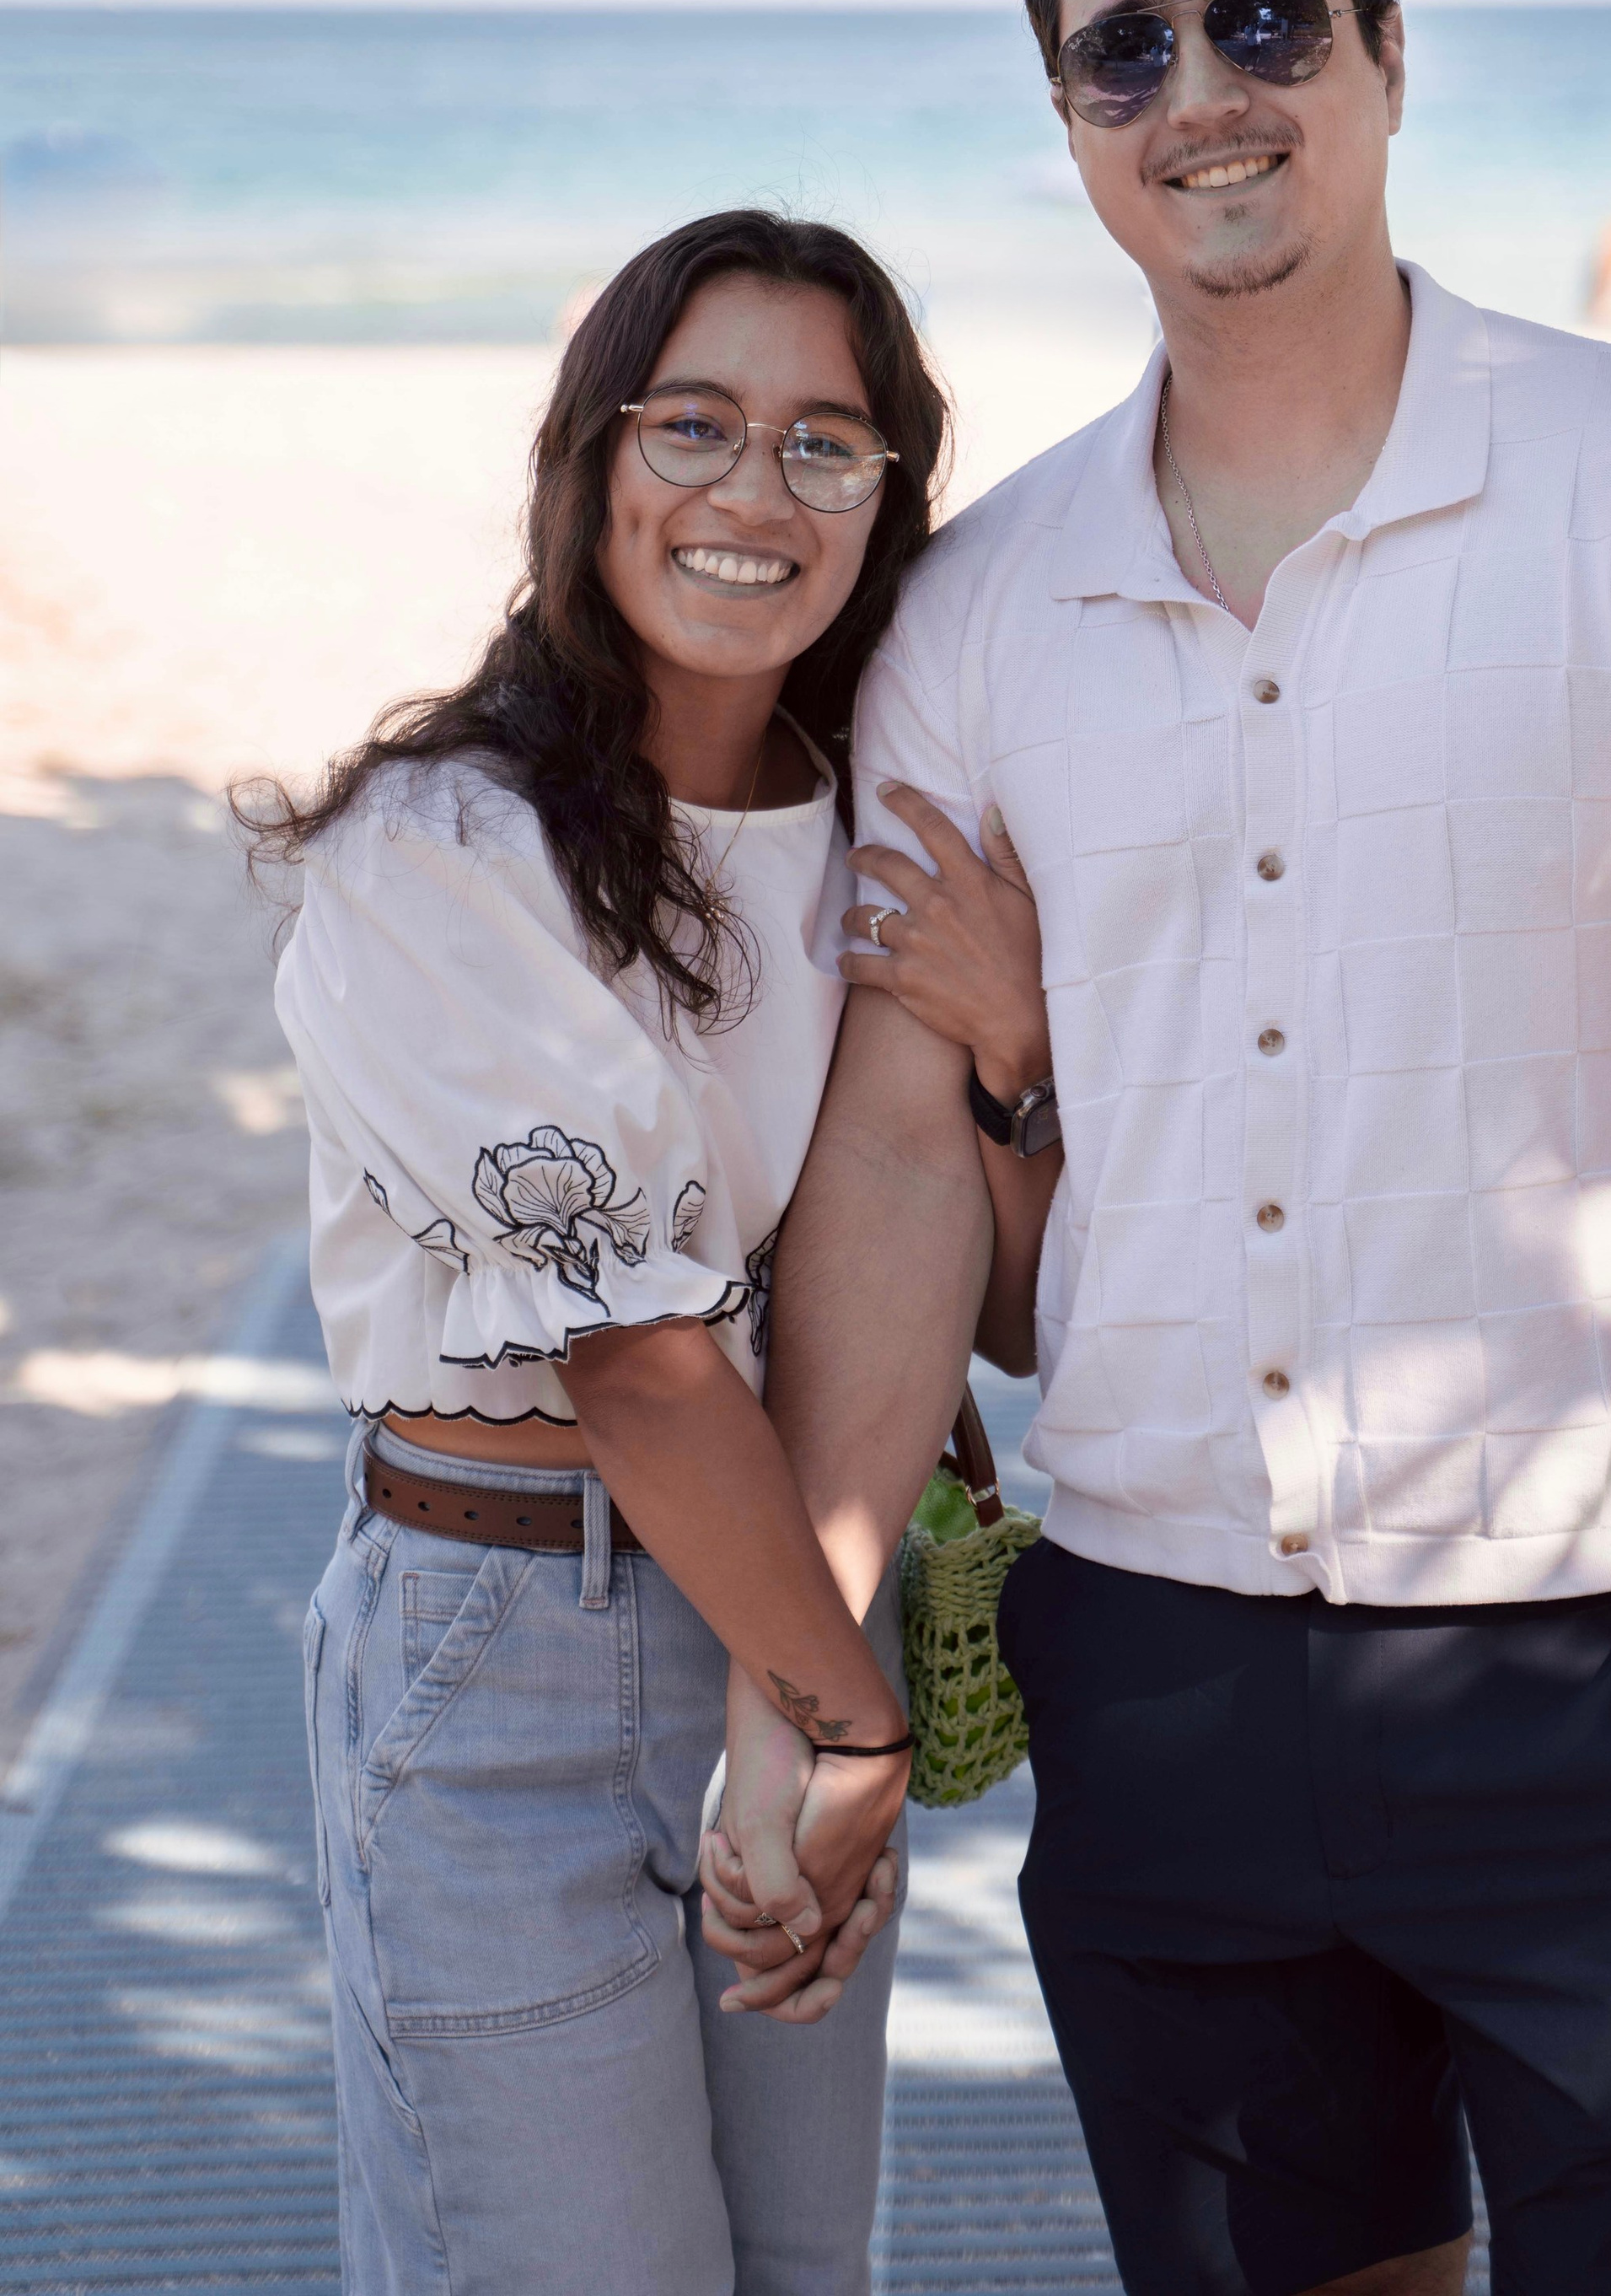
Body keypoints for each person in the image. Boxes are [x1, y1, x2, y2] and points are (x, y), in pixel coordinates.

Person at [738, 0, 1611, 2296]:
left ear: (1389, 57)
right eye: (1125, 47)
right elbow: (886, 1160)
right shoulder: (978, 613)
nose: (1203, 84)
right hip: (1156, 1651)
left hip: (1610, 1650)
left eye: (1265, 15)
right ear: (1073, 125)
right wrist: (813, 1652)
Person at [257, 211, 1021, 2296]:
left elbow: (1008, 1285)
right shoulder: (429, 854)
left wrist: (1013, 1038)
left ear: (887, 497)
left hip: (790, 1600)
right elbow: (642, 1357)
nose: (752, 491)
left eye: (823, 443)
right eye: (693, 422)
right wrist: (844, 1722)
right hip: (508, 1652)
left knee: (795, 2268)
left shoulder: (890, 827)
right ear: (589, 456)